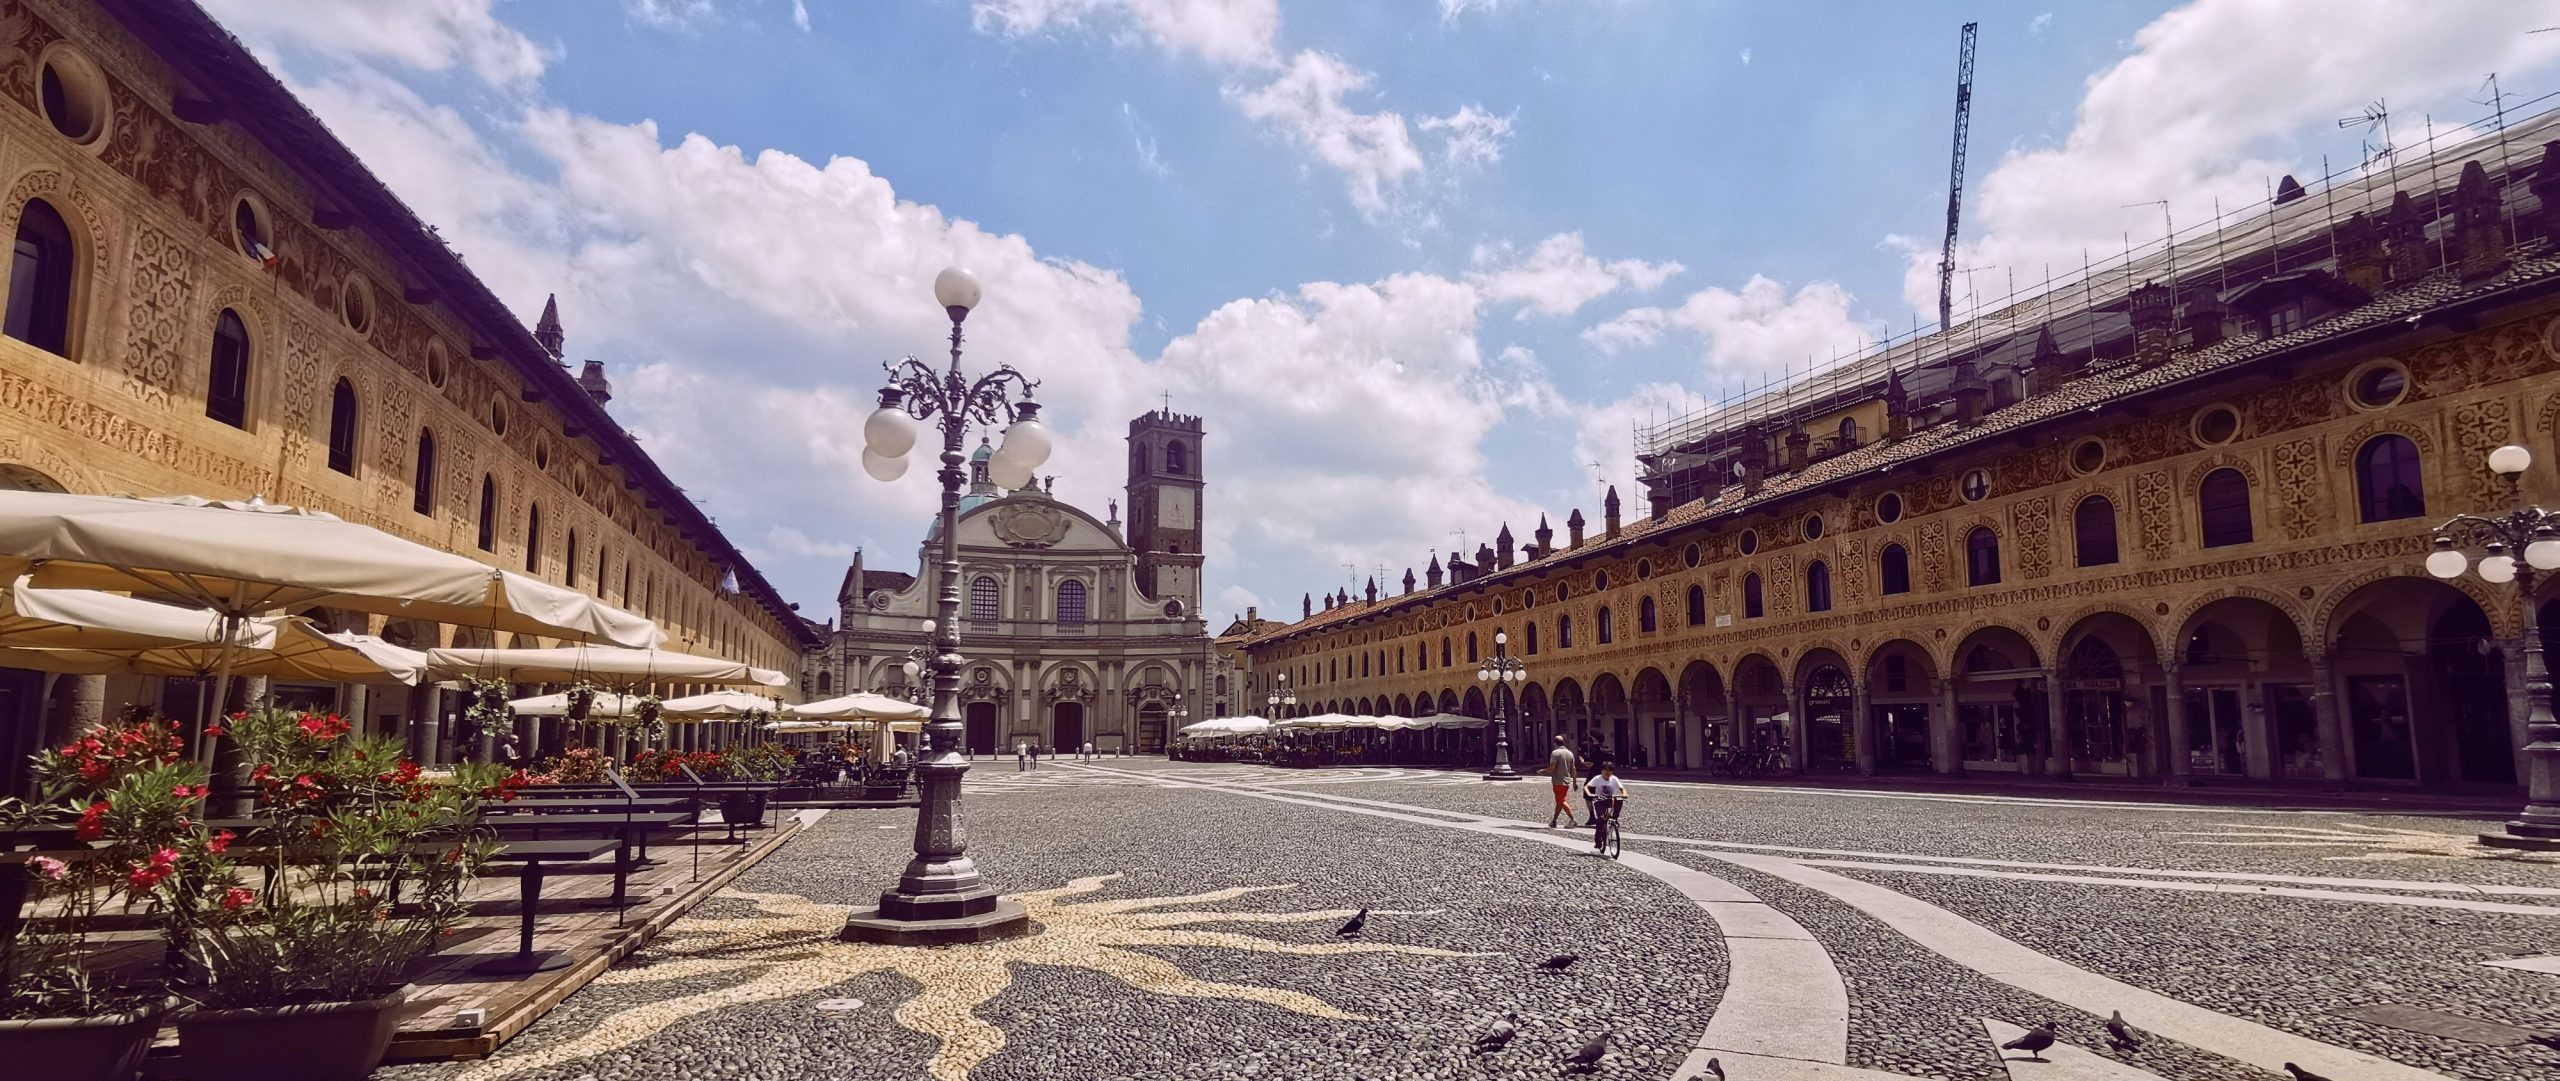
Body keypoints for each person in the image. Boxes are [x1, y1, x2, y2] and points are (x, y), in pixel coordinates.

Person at [1584, 762, 1627, 854]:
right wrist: (1590, 794)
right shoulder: (1597, 779)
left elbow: (1622, 789)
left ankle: (1615, 817)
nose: (1607, 772)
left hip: (1610, 800)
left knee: (1618, 800)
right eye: (1605, 770)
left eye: (1609, 770)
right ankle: (1598, 839)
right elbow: (1586, 787)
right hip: (1599, 800)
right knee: (1601, 819)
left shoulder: (1614, 779)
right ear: (1602, 771)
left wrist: (1624, 794)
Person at [1542, 736, 1580, 828]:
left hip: (1558, 781)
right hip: (1566, 781)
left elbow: (1552, 768)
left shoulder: (1555, 753)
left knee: (1561, 801)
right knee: (1559, 801)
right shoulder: (1570, 753)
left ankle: (1572, 819)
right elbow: (1573, 769)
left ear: (1554, 743)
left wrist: (1543, 771)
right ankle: (1554, 821)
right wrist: (1574, 782)